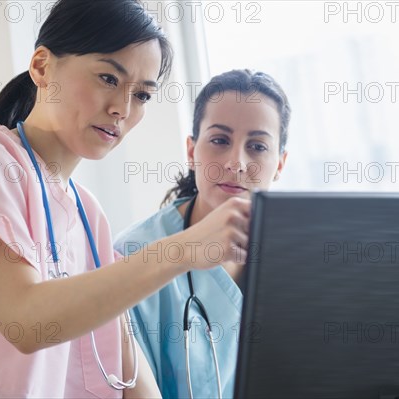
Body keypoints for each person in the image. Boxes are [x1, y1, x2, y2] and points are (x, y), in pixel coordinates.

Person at [0, 1, 251, 397]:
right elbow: (27, 321)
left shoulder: (87, 214)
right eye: (108, 78)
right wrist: (183, 248)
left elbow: (129, 370)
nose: (122, 109)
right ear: (43, 67)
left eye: (143, 95)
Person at [114, 69, 290, 399]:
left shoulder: (299, 255)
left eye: (257, 146)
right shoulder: (132, 255)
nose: (236, 163)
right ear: (192, 152)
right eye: (220, 141)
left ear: (280, 164)